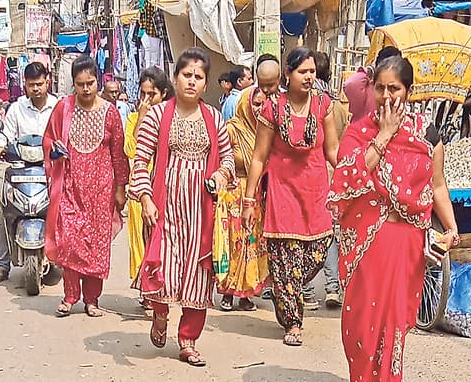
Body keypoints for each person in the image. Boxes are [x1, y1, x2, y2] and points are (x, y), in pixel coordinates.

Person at [327, 56, 459, 381]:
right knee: (361, 326)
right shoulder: (359, 132)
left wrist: (452, 226)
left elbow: (437, 184)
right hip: (369, 242)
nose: (386, 96)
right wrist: (384, 135)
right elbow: (346, 178)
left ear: (409, 91)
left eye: (395, 88)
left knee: (394, 326)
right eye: (380, 88)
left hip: (407, 243)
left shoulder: (427, 134)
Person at [131, 47, 235, 367]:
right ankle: (160, 313)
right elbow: (140, 160)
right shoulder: (157, 115)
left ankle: (188, 340)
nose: (191, 81)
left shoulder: (214, 118)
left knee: (197, 274)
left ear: (206, 83)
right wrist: (146, 198)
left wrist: (220, 175)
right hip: (164, 208)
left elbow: (228, 158)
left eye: (198, 77)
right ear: (175, 78)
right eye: (186, 75)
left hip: (201, 211)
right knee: (163, 267)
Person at [241, 47, 339, 347]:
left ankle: (287, 290)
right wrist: (248, 200)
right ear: (288, 74)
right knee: (285, 261)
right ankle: (293, 322)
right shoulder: (272, 108)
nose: (308, 77)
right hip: (282, 195)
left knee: (317, 253)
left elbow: (333, 150)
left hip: (316, 194)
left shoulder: (323, 104)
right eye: (302, 71)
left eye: (312, 72)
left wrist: (355, 177)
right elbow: (259, 157)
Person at [43, 56, 129, 317]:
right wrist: (55, 151)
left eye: (90, 83)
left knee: (96, 245)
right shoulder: (64, 108)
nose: (86, 89)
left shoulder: (110, 112)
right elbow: (49, 140)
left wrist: (120, 189)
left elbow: (118, 153)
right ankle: (70, 296)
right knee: (69, 242)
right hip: (70, 187)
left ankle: (92, 299)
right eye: (80, 84)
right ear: (74, 84)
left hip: (101, 191)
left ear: (98, 81)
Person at [217, 56, 281, 312]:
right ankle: (227, 292)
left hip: (258, 197)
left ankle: (246, 294)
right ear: (244, 104)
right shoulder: (232, 129)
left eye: (262, 104)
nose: (259, 109)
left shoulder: (267, 132)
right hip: (233, 195)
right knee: (233, 244)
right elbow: (221, 159)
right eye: (255, 104)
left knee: (252, 244)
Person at [0, 62, 59, 283]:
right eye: (31, 85)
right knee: (6, 213)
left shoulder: (58, 106)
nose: (36, 88)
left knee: (63, 211)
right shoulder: (17, 108)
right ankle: (2, 265)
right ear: (25, 85)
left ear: (47, 82)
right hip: (21, 168)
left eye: (40, 84)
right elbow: (6, 135)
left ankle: (64, 259)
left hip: (51, 168)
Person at [123, 66, 173, 307]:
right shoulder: (133, 119)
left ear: (163, 94)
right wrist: (142, 118)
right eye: (142, 94)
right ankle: (145, 288)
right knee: (140, 241)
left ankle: (161, 287)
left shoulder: (172, 119)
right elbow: (131, 150)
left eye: (151, 94)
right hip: (140, 190)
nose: (146, 100)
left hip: (165, 189)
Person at [301, 51, 345, 310]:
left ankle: (307, 291)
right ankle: (332, 287)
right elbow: (341, 144)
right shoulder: (337, 105)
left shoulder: (306, 102)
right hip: (332, 174)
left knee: (305, 233)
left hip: (308, 175)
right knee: (328, 234)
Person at [344, 46, 402, 123]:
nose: (385, 95)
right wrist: (369, 70)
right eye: (380, 88)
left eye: (393, 88)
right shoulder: (366, 89)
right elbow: (350, 84)